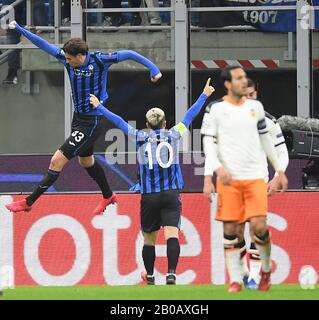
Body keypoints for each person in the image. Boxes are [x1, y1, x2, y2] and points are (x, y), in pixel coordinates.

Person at [5, 20, 162, 215]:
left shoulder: (100, 60)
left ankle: (29, 202)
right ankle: (108, 195)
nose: (67, 61)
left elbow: (128, 54)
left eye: (70, 59)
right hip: (78, 118)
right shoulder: (67, 58)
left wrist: (154, 69)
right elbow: (44, 45)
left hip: (91, 122)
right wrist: (20, 30)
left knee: (56, 161)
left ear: (81, 56)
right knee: (85, 161)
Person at [89, 78, 215, 285]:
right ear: (165, 123)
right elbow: (189, 116)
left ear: (147, 125)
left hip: (149, 196)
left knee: (149, 238)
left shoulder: (138, 136)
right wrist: (204, 95)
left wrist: (100, 106)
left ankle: (149, 276)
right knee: (172, 234)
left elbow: (118, 121)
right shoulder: (174, 134)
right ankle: (172, 273)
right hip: (171, 193)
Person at [201, 66, 288, 292]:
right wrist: (211, 174)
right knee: (232, 230)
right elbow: (209, 143)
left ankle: (265, 270)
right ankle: (237, 279)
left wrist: (279, 170)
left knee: (258, 227)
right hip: (229, 179)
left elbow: (267, 142)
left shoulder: (256, 109)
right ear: (228, 84)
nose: (243, 81)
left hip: (255, 177)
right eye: (239, 78)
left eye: (244, 78)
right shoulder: (214, 109)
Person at [236, 78, 290, 290]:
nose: (248, 99)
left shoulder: (268, 121)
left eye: (252, 95)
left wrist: (278, 175)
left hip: (258, 181)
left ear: (256, 95)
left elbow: (281, 152)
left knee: (257, 230)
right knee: (237, 231)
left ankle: (255, 277)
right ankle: (245, 274)